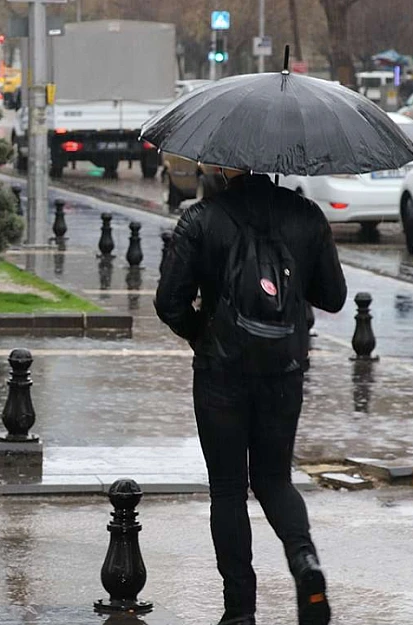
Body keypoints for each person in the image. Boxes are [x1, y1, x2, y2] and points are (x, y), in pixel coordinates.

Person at [155, 168, 346, 625]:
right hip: (283, 369)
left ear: (222, 167)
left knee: (227, 489)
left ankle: (239, 610)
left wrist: (202, 332)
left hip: (221, 372)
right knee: (274, 479)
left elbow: (169, 302)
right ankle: (305, 562)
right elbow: (334, 296)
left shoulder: (201, 219)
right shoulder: (306, 216)